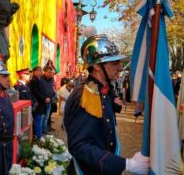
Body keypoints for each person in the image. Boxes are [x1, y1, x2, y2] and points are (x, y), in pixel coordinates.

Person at [64, 34, 149, 174]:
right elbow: (79, 146)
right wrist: (126, 164)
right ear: (97, 66)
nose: (121, 68)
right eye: (115, 63)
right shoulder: (86, 95)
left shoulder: (102, 90)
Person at [29, 66, 49, 140]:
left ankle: (39, 135)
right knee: (38, 121)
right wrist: (44, 99)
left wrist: (47, 97)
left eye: (41, 70)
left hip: (42, 104)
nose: (41, 72)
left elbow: (45, 89)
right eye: (39, 70)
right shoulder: (33, 80)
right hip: (38, 105)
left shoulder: (40, 79)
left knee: (41, 120)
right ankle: (38, 137)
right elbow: (36, 93)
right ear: (35, 72)